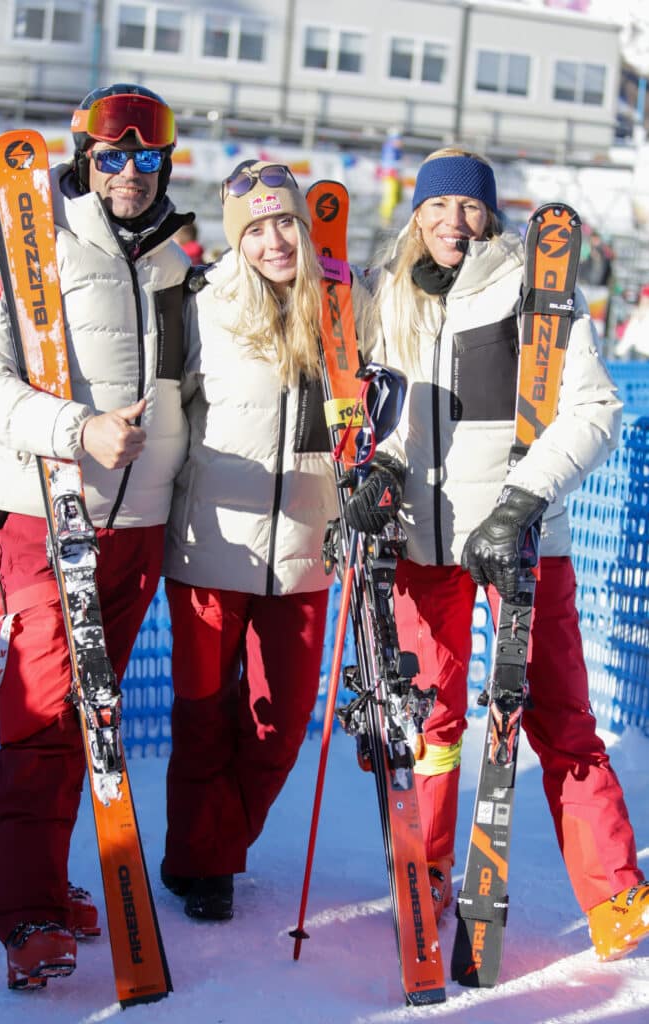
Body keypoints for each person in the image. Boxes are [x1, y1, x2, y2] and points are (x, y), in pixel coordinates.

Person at [348, 147, 648, 960]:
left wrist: (519, 501)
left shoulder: (532, 290)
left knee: (557, 714)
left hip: (520, 540)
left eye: (469, 206)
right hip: (424, 544)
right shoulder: (394, 296)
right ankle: (425, 872)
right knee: (428, 721)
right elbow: (393, 416)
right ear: (416, 213)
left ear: (488, 214)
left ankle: (613, 891)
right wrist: (381, 470)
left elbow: (593, 410)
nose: (453, 221)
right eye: (438, 206)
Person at [0, 83, 194, 990]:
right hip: (40, 511)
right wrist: (76, 429)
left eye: (146, 157)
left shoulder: (175, 261)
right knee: (42, 716)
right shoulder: (21, 241)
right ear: (83, 159)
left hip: (138, 525)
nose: (129, 172)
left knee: (91, 717)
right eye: (112, 155)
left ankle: (51, 883)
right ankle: (25, 913)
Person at [160, 159, 374, 921]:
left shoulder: (344, 300)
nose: (274, 240)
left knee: (278, 725)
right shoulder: (204, 304)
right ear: (236, 238)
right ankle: (203, 864)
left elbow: (379, 401)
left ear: (306, 227)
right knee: (202, 717)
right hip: (211, 544)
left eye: (285, 222)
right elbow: (168, 414)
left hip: (308, 552)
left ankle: (213, 844)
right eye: (255, 229)